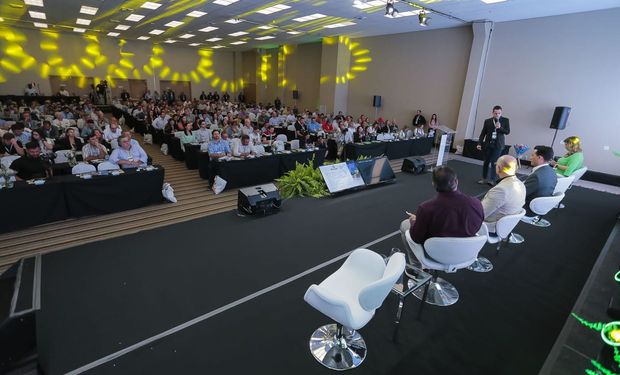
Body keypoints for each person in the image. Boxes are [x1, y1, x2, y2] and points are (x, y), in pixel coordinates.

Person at [400, 166, 484, 261]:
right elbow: (478, 225)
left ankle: (417, 266)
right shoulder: (476, 203)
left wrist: (413, 223)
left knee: (404, 225)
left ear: (434, 184)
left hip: (435, 253)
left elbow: (416, 238)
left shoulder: (426, 208)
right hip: (465, 252)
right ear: (456, 181)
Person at [480, 155, 526, 234]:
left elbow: (480, 214)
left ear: (499, 168)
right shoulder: (521, 184)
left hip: (489, 228)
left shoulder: (501, 190)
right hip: (507, 225)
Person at [477, 105, 510, 186]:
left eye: (499, 113)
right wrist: (479, 143)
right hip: (488, 144)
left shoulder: (505, 120)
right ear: (492, 113)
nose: (497, 115)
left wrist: (500, 128)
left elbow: (507, 132)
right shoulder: (487, 121)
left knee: (494, 162)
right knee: (486, 162)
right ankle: (484, 178)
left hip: (498, 145)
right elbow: (483, 133)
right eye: (495, 113)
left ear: (501, 113)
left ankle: (492, 179)